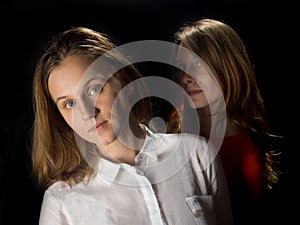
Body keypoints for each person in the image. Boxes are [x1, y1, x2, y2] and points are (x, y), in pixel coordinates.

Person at [30, 26, 233, 225]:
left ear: (125, 81)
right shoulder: (61, 202)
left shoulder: (197, 154)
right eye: (69, 104)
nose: (86, 113)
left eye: (94, 89)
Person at [167, 18, 282, 224]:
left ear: (228, 66)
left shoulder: (250, 146)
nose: (186, 77)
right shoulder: (178, 119)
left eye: (199, 65)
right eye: (182, 66)